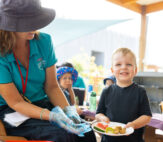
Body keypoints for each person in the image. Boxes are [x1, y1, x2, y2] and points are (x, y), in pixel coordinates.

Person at [0, 0, 96, 142]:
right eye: (28, 22)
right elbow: (16, 102)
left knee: (86, 131)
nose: (35, 26)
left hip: (42, 102)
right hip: (13, 112)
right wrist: (51, 116)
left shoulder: (44, 41)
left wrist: (69, 112)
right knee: (63, 136)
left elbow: (51, 87)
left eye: (36, 20)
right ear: (10, 24)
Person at [96, 47, 152, 142]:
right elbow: (98, 113)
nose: (123, 67)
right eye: (118, 64)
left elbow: (147, 116)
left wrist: (134, 124)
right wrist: (102, 118)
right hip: (109, 139)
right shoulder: (106, 91)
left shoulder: (140, 91)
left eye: (129, 64)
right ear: (112, 70)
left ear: (135, 70)